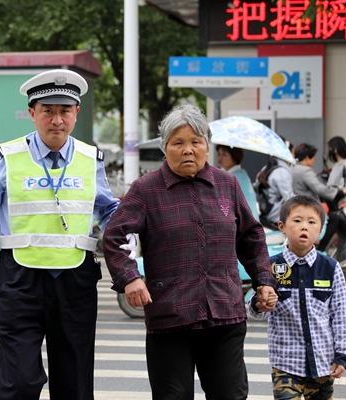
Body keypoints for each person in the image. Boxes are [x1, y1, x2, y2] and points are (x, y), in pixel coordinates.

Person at [0, 69, 120, 400]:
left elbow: (107, 209)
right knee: (17, 382)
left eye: (65, 111)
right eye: (48, 110)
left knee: (75, 386)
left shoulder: (91, 159)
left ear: (76, 113)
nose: (57, 120)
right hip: (20, 280)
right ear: (32, 113)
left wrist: (125, 231)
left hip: (75, 281)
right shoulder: (7, 157)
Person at [103, 104, 278, 400]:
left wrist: (264, 280)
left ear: (207, 146)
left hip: (224, 312)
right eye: (178, 143)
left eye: (196, 142)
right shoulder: (145, 189)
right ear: (164, 148)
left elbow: (251, 236)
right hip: (170, 315)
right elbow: (114, 235)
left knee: (231, 395)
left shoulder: (228, 184)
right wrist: (129, 277)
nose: (188, 150)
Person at [248, 195, 346, 400]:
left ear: (321, 229)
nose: (304, 227)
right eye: (297, 221)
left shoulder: (331, 268)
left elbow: (341, 315)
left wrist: (343, 355)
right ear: (282, 226)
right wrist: (260, 304)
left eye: (311, 222)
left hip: (322, 365)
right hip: (285, 364)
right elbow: (254, 310)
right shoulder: (270, 266)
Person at [291, 143, 346, 251]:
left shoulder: (293, 168)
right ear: (308, 157)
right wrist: (340, 192)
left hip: (297, 206)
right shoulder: (305, 171)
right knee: (334, 218)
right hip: (307, 208)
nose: (314, 161)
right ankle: (321, 250)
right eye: (314, 158)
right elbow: (319, 188)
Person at [217, 144, 259, 220]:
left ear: (234, 157)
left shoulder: (233, 177)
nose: (220, 157)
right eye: (219, 154)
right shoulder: (242, 173)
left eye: (224, 154)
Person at [254, 155, 294, 230]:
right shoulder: (282, 172)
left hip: (265, 213)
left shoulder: (266, 168)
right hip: (276, 216)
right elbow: (289, 198)